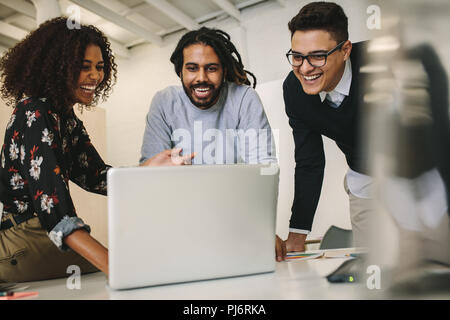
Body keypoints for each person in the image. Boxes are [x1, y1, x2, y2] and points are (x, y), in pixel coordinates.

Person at [0, 17, 193, 282]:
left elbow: (97, 177)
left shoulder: (64, 117)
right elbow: (55, 211)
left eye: (100, 67)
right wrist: (118, 267)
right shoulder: (35, 111)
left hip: (44, 238)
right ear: (58, 67)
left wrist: (148, 170)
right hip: (22, 241)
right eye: (84, 67)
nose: (95, 76)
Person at [275, 2, 372, 260]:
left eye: (318, 55)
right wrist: (297, 234)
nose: (305, 68)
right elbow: (309, 162)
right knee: (374, 267)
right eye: (297, 56)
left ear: (345, 50)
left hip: (422, 169)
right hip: (365, 178)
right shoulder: (295, 91)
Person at [140, 27, 276, 165]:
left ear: (224, 71)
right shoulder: (164, 102)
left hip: (236, 187)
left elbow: (264, 166)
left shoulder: (244, 98)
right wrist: (162, 170)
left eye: (211, 68)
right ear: (180, 72)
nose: (201, 78)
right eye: (192, 68)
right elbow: (149, 168)